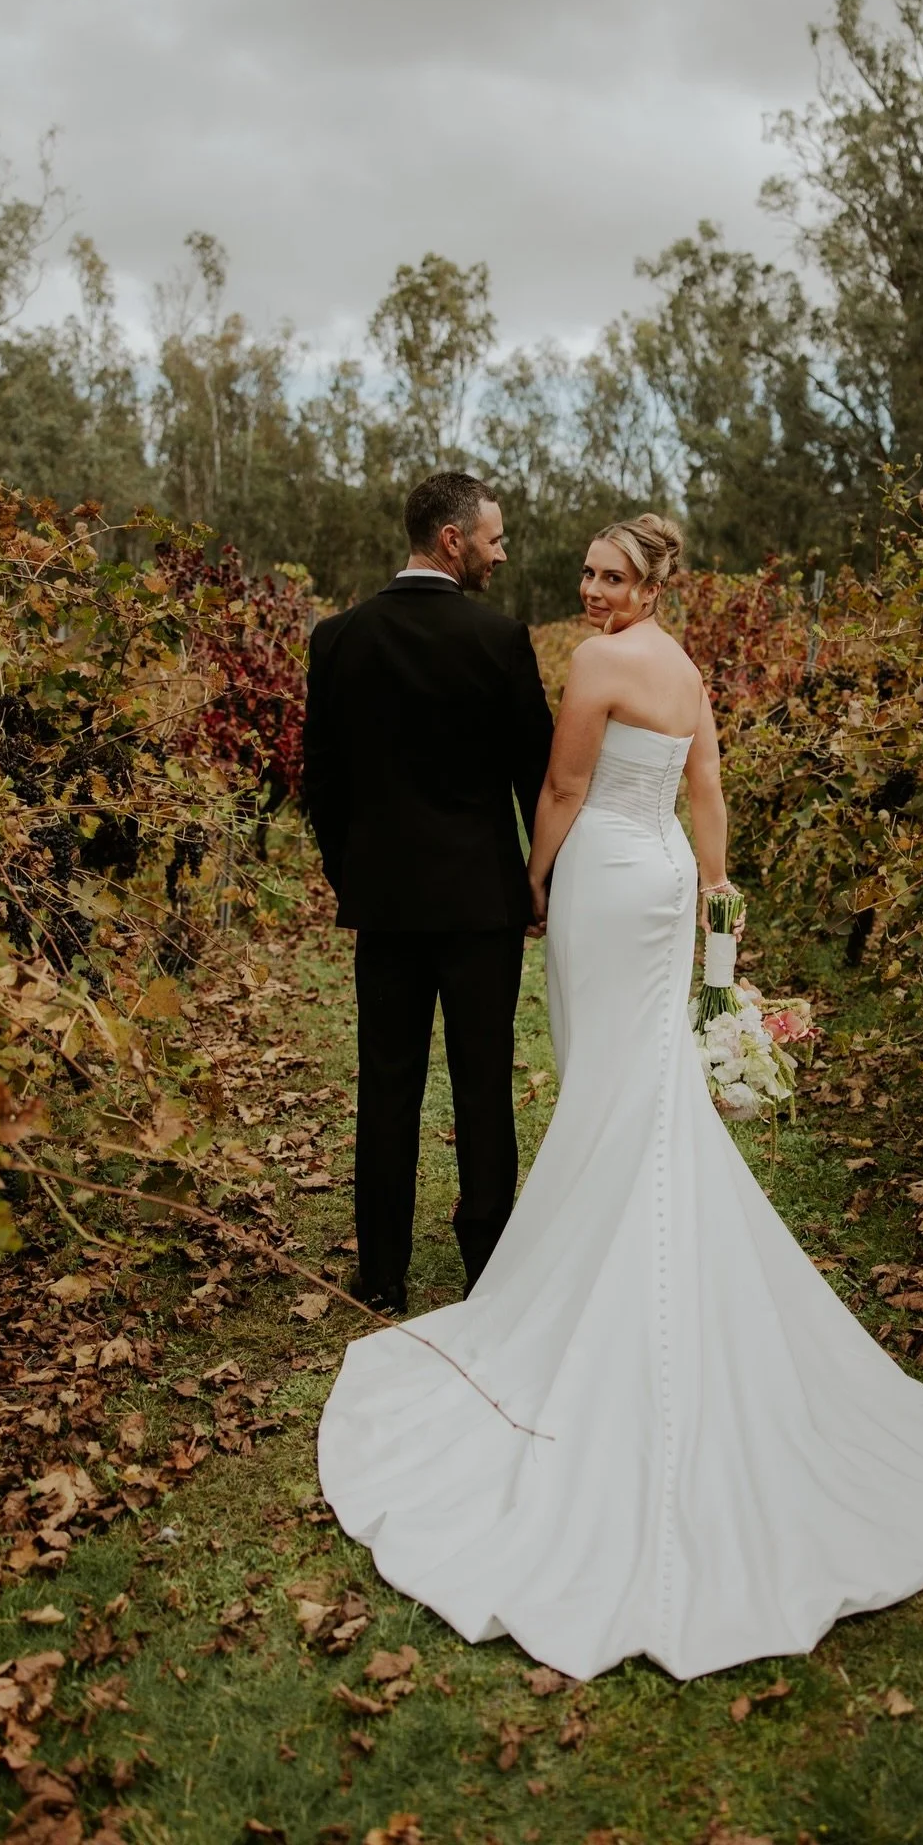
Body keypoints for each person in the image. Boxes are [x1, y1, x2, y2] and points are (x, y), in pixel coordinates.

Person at [318, 513, 923, 1681]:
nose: (592, 591)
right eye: (585, 574)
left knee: (604, 1078)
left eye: (611, 576)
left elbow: (565, 787)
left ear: (648, 582)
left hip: (600, 877)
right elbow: (709, 786)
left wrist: (531, 886)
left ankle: (586, 1267)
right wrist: (716, 899)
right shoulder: (686, 666)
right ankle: (628, 1233)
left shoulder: (594, 665)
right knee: (645, 1082)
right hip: (667, 883)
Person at [302, 472, 554, 1315]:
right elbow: (538, 781)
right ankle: (488, 1267)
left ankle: (382, 1273)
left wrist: (356, 876)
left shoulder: (338, 640)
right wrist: (538, 883)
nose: (501, 549)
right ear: (453, 541)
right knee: (483, 1083)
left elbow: (322, 787)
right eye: (494, 535)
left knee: (387, 1080)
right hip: (482, 902)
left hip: (388, 905)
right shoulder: (500, 639)